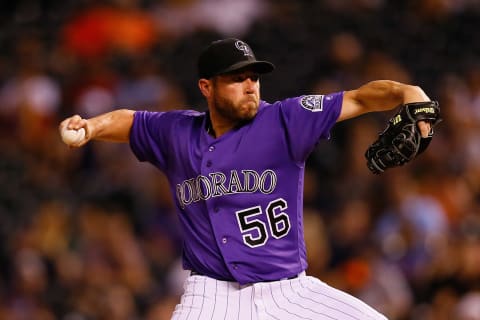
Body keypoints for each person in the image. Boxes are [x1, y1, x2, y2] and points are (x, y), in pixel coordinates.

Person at [59, 38, 433, 320]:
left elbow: (361, 98)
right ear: (207, 87)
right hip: (211, 295)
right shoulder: (177, 132)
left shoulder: (285, 119)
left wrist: (408, 92)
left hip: (291, 292)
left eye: (253, 76)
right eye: (237, 78)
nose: (251, 85)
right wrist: (91, 126)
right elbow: (129, 120)